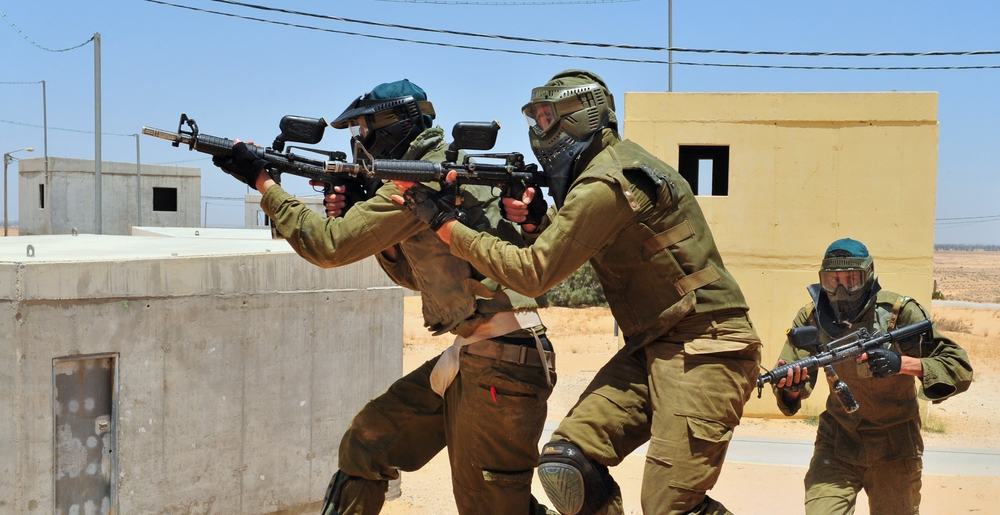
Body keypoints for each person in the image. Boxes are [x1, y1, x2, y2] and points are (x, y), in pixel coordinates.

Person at [393, 69, 762, 515]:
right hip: (654, 343)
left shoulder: (608, 181)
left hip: (707, 343)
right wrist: (536, 224)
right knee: (569, 464)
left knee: (670, 506)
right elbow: (565, 252)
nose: (538, 129)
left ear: (581, 116)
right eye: (535, 118)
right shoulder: (602, 174)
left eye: (547, 118)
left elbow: (534, 274)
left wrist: (444, 224)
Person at [212, 79, 557, 515]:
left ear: (393, 126)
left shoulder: (420, 180)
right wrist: (377, 229)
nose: (359, 140)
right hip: (476, 353)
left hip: (502, 362)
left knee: (493, 507)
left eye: (363, 129)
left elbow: (328, 246)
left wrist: (263, 182)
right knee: (368, 443)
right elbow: (422, 278)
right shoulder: (437, 170)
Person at [771, 238, 973, 515]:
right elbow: (791, 383)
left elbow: (958, 366)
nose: (841, 289)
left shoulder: (898, 313)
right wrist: (791, 388)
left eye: (851, 280)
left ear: (867, 276)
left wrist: (901, 363)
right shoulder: (812, 318)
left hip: (895, 445)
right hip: (838, 440)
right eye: (832, 280)